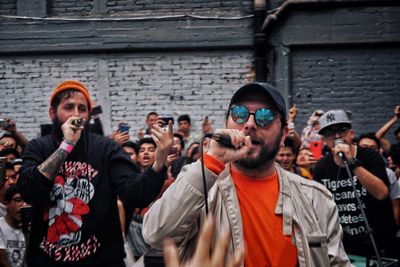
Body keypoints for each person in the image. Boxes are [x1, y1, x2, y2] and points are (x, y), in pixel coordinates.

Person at [143, 83, 351, 266]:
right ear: (227, 125)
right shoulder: (200, 186)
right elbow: (156, 235)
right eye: (240, 114)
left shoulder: (316, 199)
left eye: (264, 117)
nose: (250, 124)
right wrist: (211, 161)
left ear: (283, 135)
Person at [17, 80, 172, 267]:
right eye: (68, 107)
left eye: (82, 109)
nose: (76, 115)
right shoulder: (38, 147)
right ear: (53, 113)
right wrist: (66, 147)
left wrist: (159, 162)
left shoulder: (106, 149)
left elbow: (135, 193)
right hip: (47, 261)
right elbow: (28, 190)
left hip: (102, 261)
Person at [313, 110, 399, 260]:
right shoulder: (321, 167)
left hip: (379, 245)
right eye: (329, 132)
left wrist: (353, 162)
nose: (337, 136)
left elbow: (382, 193)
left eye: (341, 130)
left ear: (351, 133)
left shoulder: (369, 156)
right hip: (346, 248)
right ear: (324, 140)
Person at [357, 133, 400, 226]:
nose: (368, 151)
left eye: (373, 148)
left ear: (379, 151)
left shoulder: (388, 173)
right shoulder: (349, 170)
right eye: (363, 147)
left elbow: (395, 203)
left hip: (381, 224)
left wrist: (394, 227)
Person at [0, 185, 27, 267]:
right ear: (7, 204)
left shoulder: (28, 229)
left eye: (27, 201)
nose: (23, 205)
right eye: (18, 200)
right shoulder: (1, 226)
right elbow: (3, 261)